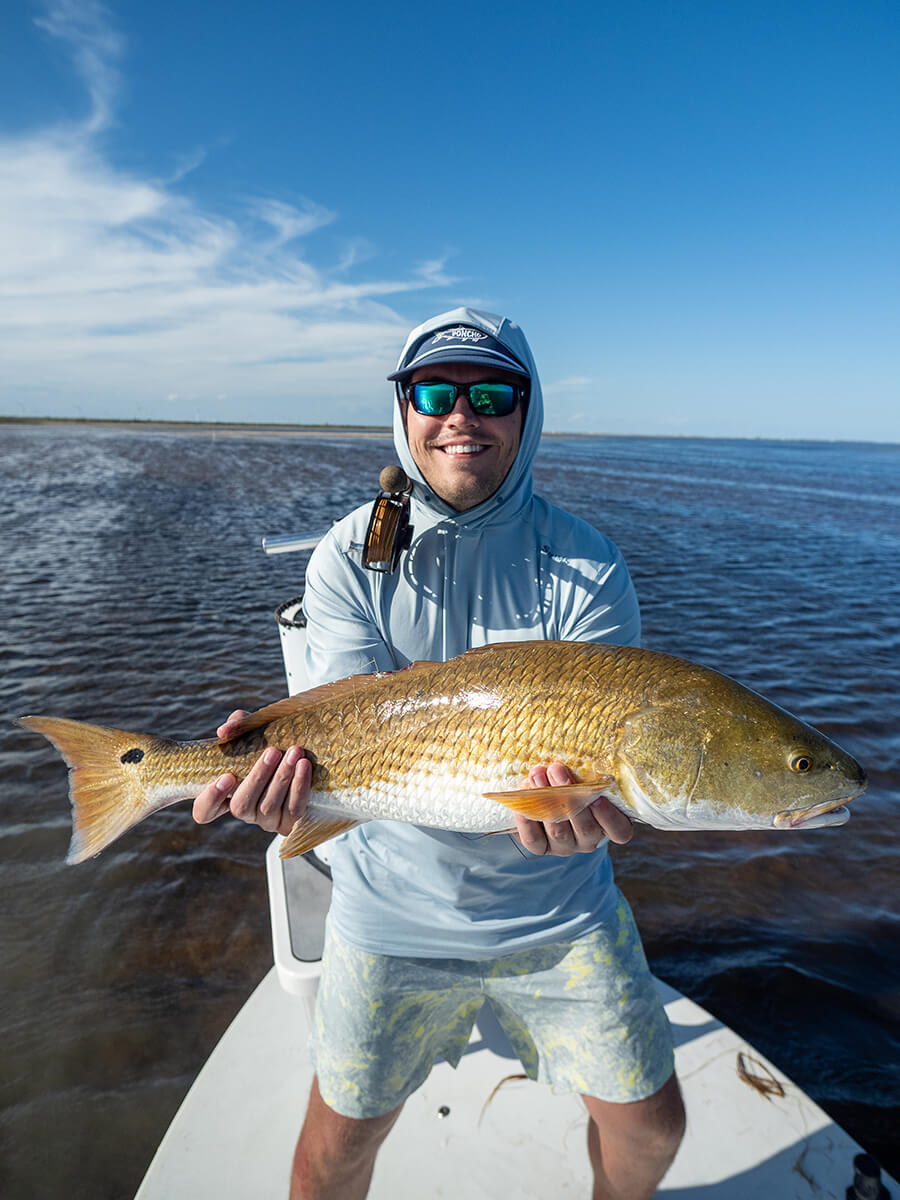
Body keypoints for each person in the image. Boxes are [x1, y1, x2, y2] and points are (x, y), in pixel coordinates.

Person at [193, 308, 686, 1199]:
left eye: (492, 393)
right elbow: (339, 722)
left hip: (560, 911)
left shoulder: (589, 564)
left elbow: (608, 762)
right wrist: (282, 791)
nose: (463, 414)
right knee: (333, 1151)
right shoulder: (348, 555)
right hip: (392, 912)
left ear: (526, 414)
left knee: (652, 1131)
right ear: (405, 410)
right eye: (435, 391)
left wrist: (585, 819)